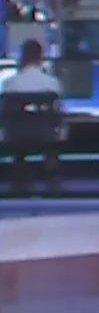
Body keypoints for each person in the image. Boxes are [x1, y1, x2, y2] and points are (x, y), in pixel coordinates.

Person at [1, 38, 63, 195]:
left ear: (22, 57)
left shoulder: (10, 84)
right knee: (53, 140)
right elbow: (59, 113)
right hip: (46, 135)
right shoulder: (52, 84)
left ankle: (19, 182)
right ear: (41, 57)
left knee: (19, 139)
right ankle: (52, 182)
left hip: (15, 137)